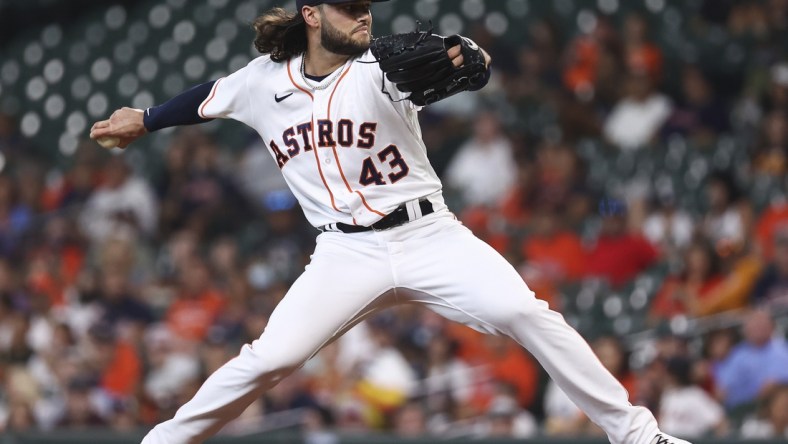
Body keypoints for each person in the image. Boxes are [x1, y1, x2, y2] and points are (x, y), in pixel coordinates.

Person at [89, 1, 690, 443]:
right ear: (311, 15)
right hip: (343, 254)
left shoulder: (382, 68)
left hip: (429, 234)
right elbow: (202, 99)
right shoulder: (261, 83)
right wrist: (143, 119)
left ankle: (638, 435)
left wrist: (468, 56)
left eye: (366, 9)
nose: (363, 18)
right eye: (348, 10)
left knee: (525, 312)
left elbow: (459, 65)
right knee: (270, 357)